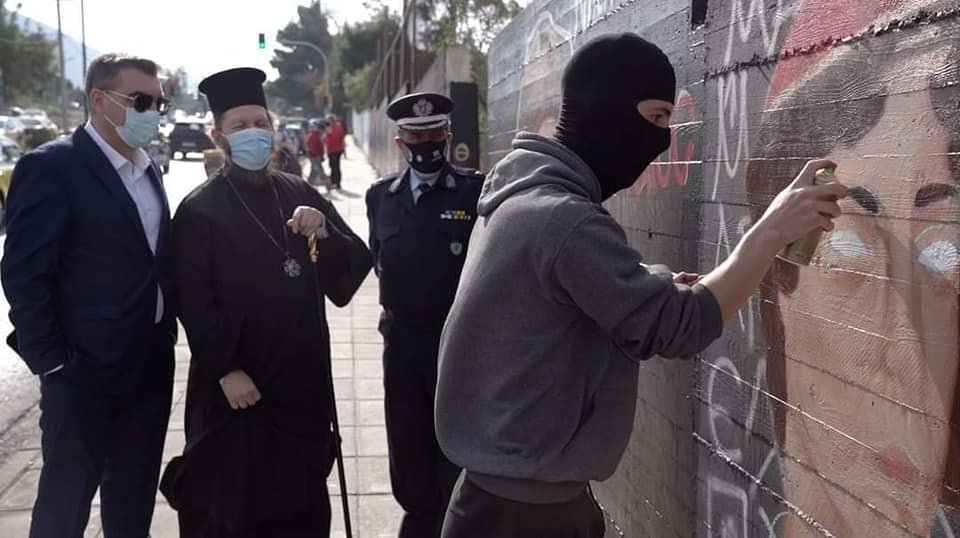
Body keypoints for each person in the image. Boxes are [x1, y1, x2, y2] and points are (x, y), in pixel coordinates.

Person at [435, 33, 848, 537]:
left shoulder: (523, 197)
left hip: (504, 501)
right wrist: (772, 229)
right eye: (654, 118)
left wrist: (653, 283)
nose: (661, 139)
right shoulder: (565, 221)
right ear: (603, 107)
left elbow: (560, 299)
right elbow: (679, 328)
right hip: (524, 518)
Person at [159, 67, 372, 537]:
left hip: (300, 393)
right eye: (240, 125)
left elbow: (352, 269)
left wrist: (325, 231)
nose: (254, 132)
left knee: (302, 512)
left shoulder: (298, 192)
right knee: (235, 514)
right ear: (219, 135)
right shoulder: (198, 210)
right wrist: (224, 369)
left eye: (261, 121)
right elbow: (192, 300)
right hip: (238, 396)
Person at [1, 53, 176, 537]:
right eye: (141, 100)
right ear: (98, 100)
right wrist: (53, 363)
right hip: (82, 375)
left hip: (148, 369)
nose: (153, 112)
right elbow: (23, 273)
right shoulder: (52, 167)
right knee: (65, 503)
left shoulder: (148, 169)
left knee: (133, 502)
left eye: (159, 102)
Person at [365, 92, 484, 538]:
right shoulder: (381, 198)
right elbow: (376, 259)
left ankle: (454, 524)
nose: (425, 143)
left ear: (448, 138)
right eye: (415, 135)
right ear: (400, 143)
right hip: (401, 343)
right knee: (406, 436)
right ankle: (417, 520)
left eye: (434, 134)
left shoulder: (475, 191)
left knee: (453, 444)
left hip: (455, 343)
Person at [325, 114, 346, 190]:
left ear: (331, 120)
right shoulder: (339, 126)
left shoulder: (333, 127)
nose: (327, 122)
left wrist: (328, 134)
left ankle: (335, 182)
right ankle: (336, 182)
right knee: (335, 166)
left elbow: (332, 138)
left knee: (334, 167)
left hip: (333, 150)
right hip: (338, 149)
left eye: (328, 120)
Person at [307, 119, 327, 187]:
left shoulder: (316, 134)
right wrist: (318, 156)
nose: (323, 132)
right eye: (323, 130)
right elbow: (313, 147)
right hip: (314, 156)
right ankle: (328, 185)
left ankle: (308, 184)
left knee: (314, 171)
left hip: (315, 155)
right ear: (320, 129)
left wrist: (321, 155)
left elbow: (320, 146)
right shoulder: (314, 135)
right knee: (320, 170)